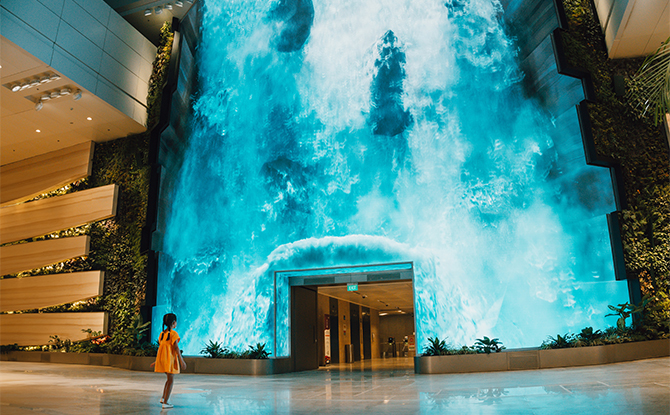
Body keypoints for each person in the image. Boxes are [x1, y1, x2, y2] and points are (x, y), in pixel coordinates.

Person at [151, 313, 186, 409]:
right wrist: (181, 360)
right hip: (169, 362)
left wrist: (157, 361)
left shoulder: (162, 334)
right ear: (174, 323)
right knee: (171, 381)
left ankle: (163, 398)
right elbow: (176, 348)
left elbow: (161, 349)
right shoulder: (174, 334)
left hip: (164, 361)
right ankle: (165, 402)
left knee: (168, 380)